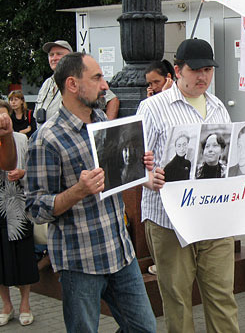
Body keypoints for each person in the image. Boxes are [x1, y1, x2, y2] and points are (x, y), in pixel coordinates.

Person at [26, 52, 156, 333]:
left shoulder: (102, 122)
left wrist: (139, 168)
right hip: (80, 261)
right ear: (72, 84)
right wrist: (78, 190)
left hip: (120, 252)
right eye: (96, 77)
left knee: (145, 328)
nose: (105, 84)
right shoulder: (46, 140)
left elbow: (119, 176)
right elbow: (35, 208)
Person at [136, 38, 240, 333]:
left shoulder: (219, 108)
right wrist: (149, 178)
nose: (203, 77)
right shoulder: (152, 108)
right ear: (177, 71)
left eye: (208, 69)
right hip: (170, 222)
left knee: (222, 296)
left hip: (214, 220)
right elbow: (133, 164)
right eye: (196, 70)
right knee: (177, 300)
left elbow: (229, 162)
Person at [0, 101, 38, 327]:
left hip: (17, 200)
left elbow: (33, 167)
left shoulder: (21, 139)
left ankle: (25, 303)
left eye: (5, 116)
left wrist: (24, 172)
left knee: (22, 253)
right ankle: (6, 305)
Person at [33, 40, 72, 127]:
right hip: (43, 137)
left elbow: (109, 98)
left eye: (59, 54)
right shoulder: (46, 83)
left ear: (70, 57)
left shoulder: (78, 80)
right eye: (51, 55)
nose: (54, 58)